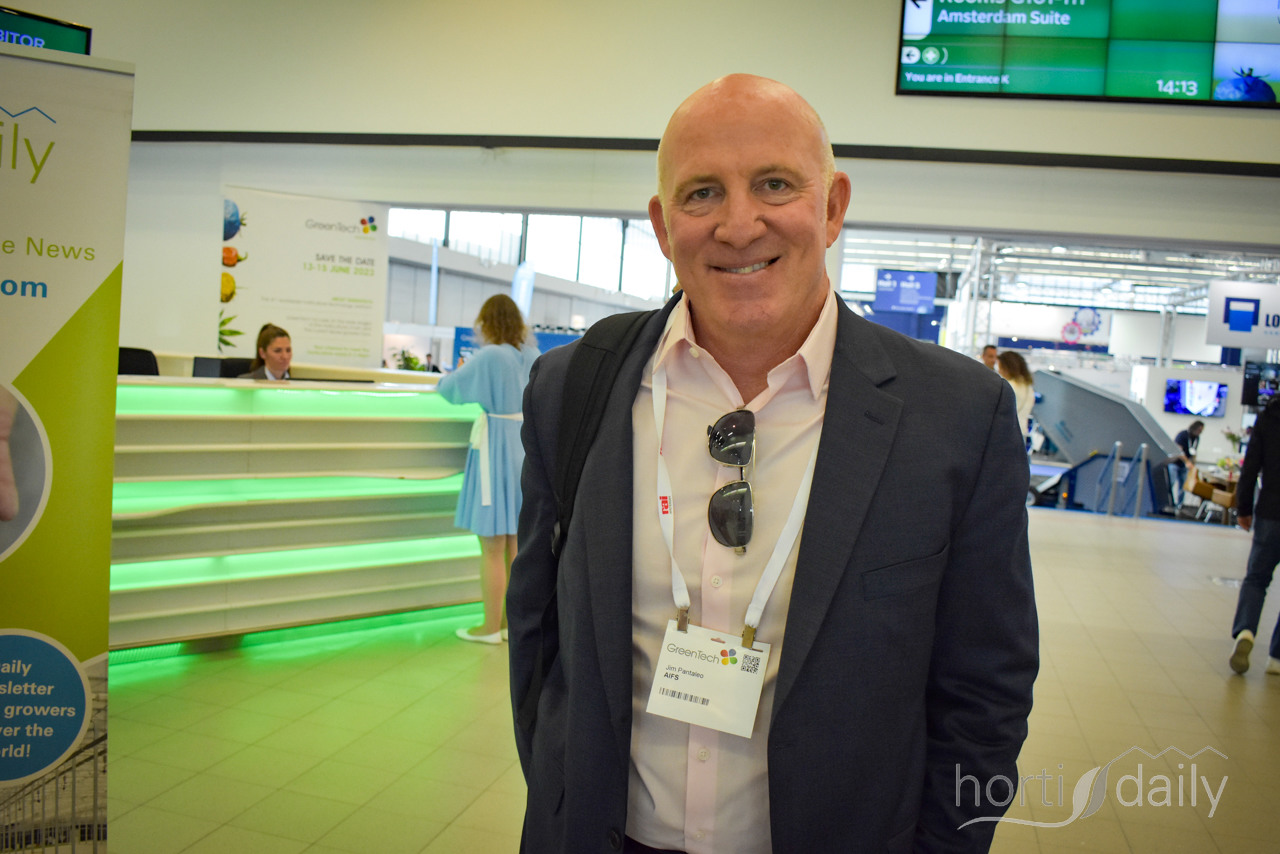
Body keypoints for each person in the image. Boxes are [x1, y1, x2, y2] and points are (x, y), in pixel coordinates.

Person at [508, 74, 1037, 853]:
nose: (738, 224)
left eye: (774, 185)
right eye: (702, 194)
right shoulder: (576, 388)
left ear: (832, 207)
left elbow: (985, 690)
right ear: (662, 226)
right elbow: (537, 635)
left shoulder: (956, 418)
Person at [438, 294, 539, 644]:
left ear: (487, 322)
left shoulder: (491, 355)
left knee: (492, 547)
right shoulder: (532, 355)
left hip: (495, 449)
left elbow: (448, 389)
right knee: (516, 546)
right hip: (524, 450)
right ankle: (511, 626)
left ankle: (489, 627)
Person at [1229, 398, 1280, 675]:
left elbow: (1251, 466)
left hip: (1271, 510)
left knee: (1257, 578)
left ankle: (1245, 631)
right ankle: (1277, 658)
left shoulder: (1269, 416)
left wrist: (1244, 508)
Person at [996, 350, 1035, 441]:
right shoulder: (1028, 387)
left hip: (1006, 434)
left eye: (1000, 367)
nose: (999, 371)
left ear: (1008, 368)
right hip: (1021, 433)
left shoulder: (1008, 386)